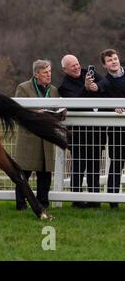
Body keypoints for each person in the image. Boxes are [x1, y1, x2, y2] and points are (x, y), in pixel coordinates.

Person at [58, 54, 105, 208]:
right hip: (78, 134)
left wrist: (96, 87)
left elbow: (105, 84)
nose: (77, 67)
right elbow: (76, 104)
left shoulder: (89, 73)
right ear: (65, 69)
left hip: (96, 132)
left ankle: (94, 200)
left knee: (94, 167)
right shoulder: (64, 86)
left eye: (77, 64)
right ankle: (76, 200)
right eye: (73, 66)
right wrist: (85, 88)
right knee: (78, 167)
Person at [14, 60, 59, 210]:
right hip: (29, 136)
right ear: (36, 74)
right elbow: (18, 110)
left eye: (50, 71)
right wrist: (36, 112)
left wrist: (60, 112)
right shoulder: (23, 88)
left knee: (45, 173)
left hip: (46, 137)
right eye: (45, 72)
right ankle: (21, 204)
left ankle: (43, 203)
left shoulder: (53, 90)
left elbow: (58, 107)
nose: (49, 75)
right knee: (24, 172)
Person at [86, 49, 125, 209]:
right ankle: (113, 201)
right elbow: (96, 89)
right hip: (117, 131)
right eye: (109, 60)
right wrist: (89, 85)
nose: (113, 62)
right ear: (104, 65)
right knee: (116, 164)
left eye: (115, 58)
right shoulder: (106, 81)